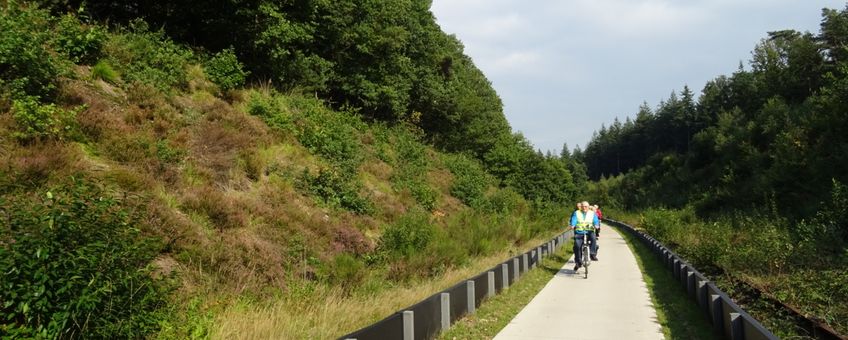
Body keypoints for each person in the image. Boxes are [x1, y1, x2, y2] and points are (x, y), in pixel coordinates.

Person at [569, 201, 599, 271]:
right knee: (577, 246)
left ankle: (592, 254)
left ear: (588, 207)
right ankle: (578, 262)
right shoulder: (577, 213)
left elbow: (595, 220)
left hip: (589, 231)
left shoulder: (592, 213)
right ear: (581, 207)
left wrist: (596, 225)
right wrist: (573, 225)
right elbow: (574, 220)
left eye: (585, 206)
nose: (584, 208)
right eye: (582, 206)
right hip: (579, 232)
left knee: (593, 238)